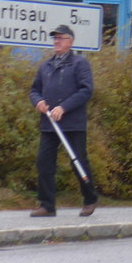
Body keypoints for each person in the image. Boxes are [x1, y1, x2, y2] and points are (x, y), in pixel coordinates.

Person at [29, 25, 98, 217]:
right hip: (49, 123)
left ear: (70, 42)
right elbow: (34, 90)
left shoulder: (79, 64)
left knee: (78, 161)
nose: (56, 42)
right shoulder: (46, 66)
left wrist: (64, 107)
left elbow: (86, 90)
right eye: (55, 38)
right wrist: (39, 101)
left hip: (72, 123)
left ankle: (90, 199)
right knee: (44, 163)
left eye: (61, 38)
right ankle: (47, 205)